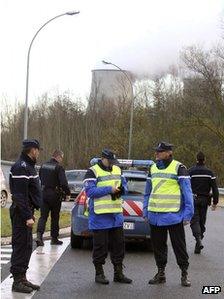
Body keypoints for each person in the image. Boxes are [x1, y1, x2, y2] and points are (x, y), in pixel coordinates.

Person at [143, 142, 194, 287]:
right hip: (155, 217)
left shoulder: (179, 168)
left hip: (174, 217)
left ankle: (184, 273)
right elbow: (147, 192)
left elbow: (187, 193)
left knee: (179, 247)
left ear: (168, 153)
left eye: (160, 152)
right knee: (158, 247)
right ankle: (161, 273)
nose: (156, 154)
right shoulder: (152, 168)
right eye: (156, 152)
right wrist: (145, 210)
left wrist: (188, 215)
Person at [83, 149, 132, 285]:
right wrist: (109, 190)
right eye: (109, 161)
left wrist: (120, 191)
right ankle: (99, 273)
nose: (111, 164)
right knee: (100, 246)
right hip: (100, 216)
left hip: (116, 215)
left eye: (113, 161)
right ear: (103, 158)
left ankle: (118, 273)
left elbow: (125, 186)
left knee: (119, 246)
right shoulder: (92, 171)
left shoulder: (117, 169)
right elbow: (90, 191)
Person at [9, 139, 42, 293]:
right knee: (20, 246)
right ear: (32, 150)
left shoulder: (28, 166)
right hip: (21, 213)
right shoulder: (21, 167)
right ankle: (17, 281)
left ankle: (22, 278)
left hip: (27, 211)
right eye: (37, 149)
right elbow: (19, 195)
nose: (39, 152)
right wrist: (27, 216)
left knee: (27, 246)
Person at [36, 149, 71, 246]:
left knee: (43, 217)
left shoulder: (43, 166)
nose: (61, 160)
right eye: (62, 158)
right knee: (55, 217)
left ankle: (39, 236)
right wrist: (68, 193)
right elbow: (63, 183)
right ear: (58, 156)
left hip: (43, 194)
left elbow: (40, 178)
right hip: (55, 195)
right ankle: (54, 238)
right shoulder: (59, 167)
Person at [189, 152, 219, 254]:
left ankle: (198, 239)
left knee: (194, 221)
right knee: (202, 222)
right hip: (205, 200)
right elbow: (215, 189)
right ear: (204, 159)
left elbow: (186, 187)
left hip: (193, 199)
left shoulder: (191, 171)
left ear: (196, 159)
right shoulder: (209, 173)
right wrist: (215, 202)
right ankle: (199, 240)